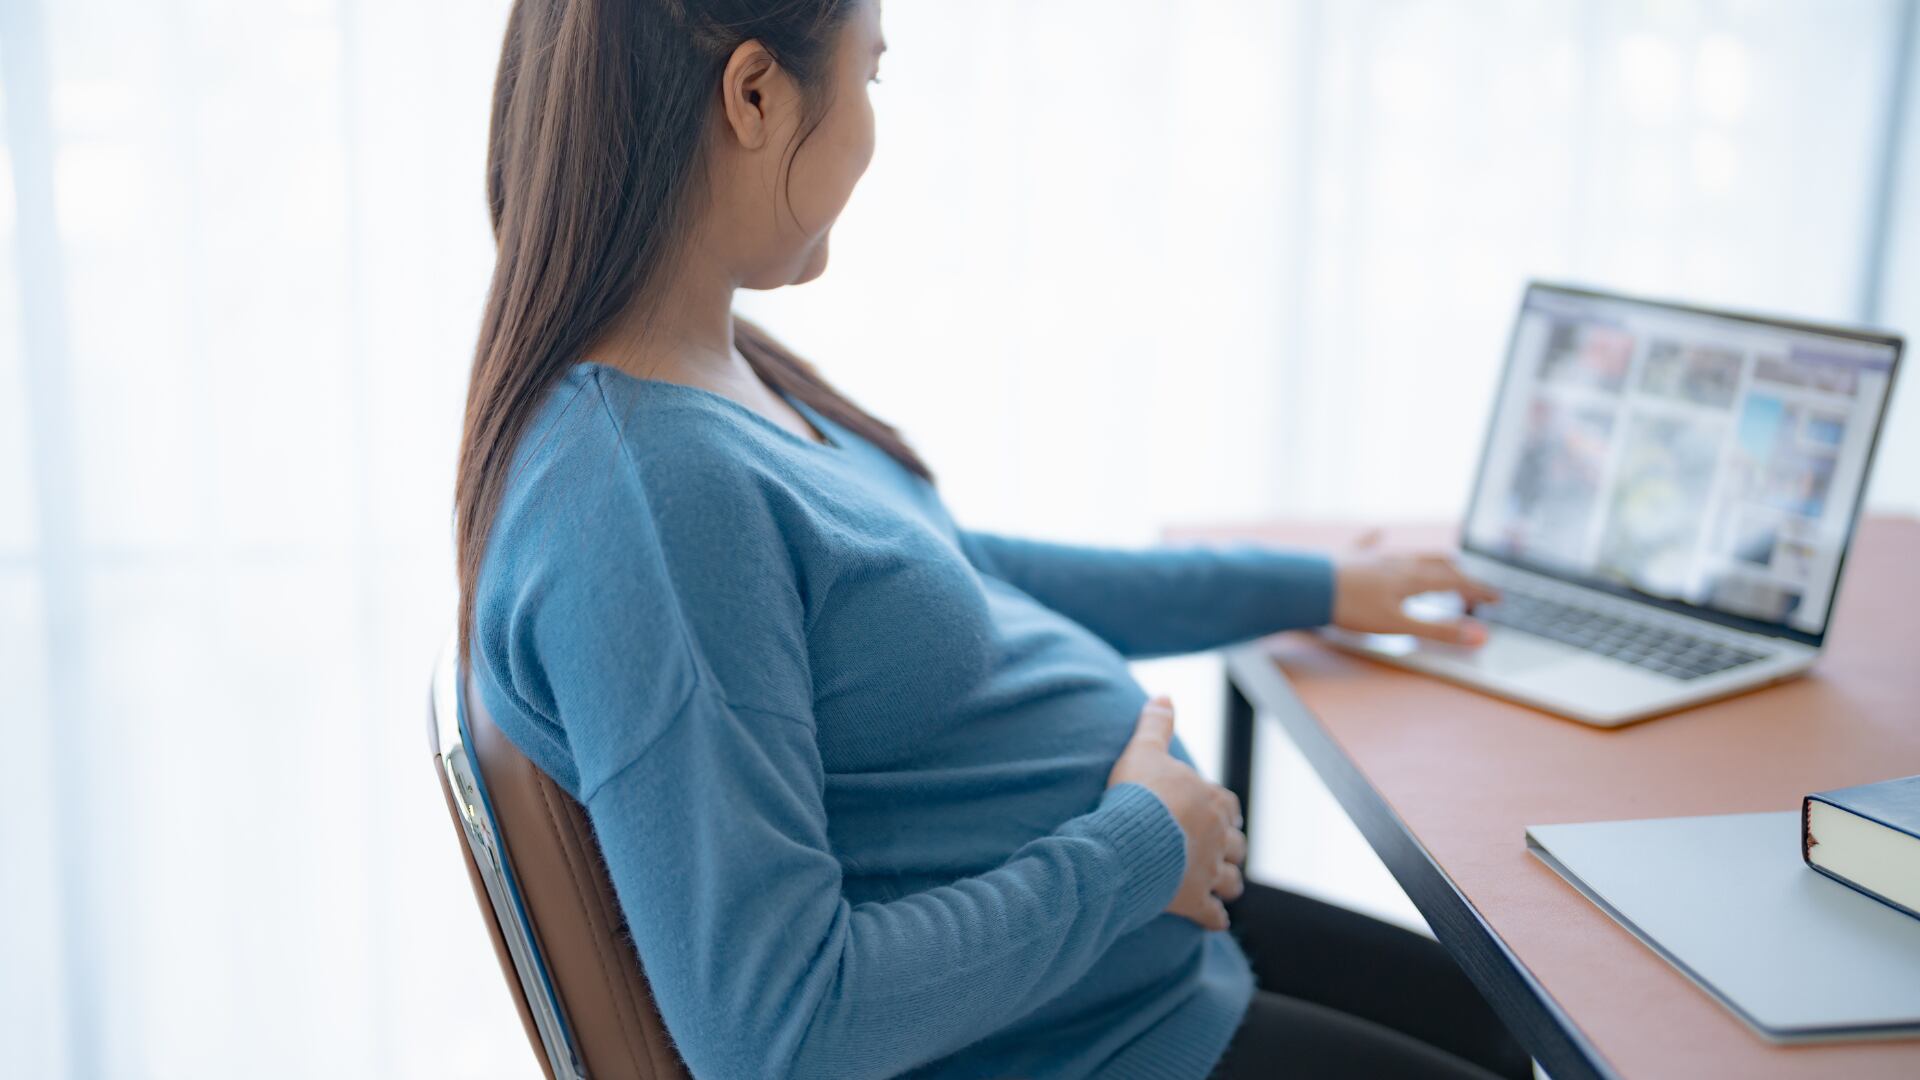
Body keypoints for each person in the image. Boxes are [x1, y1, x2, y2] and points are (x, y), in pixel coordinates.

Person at [455, 2, 1532, 1077]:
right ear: (754, 95)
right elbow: (776, 1032)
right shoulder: (650, 500)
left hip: (1125, 964)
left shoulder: (711, 367)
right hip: (1084, 1038)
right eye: (869, 77)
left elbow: (961, 579)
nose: (872, 128)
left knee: (1504, 1016)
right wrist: (1137, 848)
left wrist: (1313, 586)